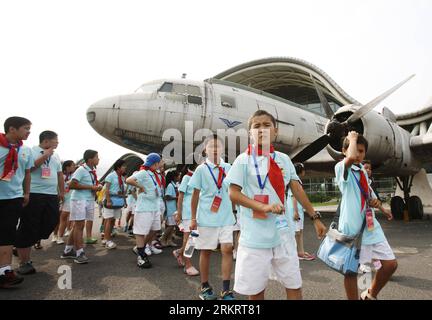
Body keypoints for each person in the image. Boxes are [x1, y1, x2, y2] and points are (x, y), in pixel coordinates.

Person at [227, 110, 326, 300]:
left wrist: (315, 217)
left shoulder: (284, 159)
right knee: (256, 292)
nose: (262, 129)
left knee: (294, 285)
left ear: (276, 131)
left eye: (266, 125)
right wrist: (262, 207)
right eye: (256, 126)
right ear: (250, 133)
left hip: (283, 235)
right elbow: (233, 194)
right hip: (254, 238)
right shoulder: (243, 160)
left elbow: (296, 188)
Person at [335, 131, 397, 300]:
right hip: (352, 228)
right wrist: (353, 138)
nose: (358, 154)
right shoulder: (341, 167)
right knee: (351, 271)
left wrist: (380, 206)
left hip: (370, 226)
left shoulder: (362, 169)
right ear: (344, 151)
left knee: (390, 264)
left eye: (362, 151)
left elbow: (368, 192)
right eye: (355, 150)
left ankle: (369, 294)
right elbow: (349, 159)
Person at [189, 134, 236, 300]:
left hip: (226, 217)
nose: (215, 149)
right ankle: (204, 286)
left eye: (218, 146)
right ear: (205, 150)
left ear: (222, 149)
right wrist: (193, 218)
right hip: (206, 218)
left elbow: (236, 190)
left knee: (227, 249)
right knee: (206, 252)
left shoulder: (229, 167)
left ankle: (225, 289)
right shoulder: (201, 169)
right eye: (211, 146)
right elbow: (194, 195)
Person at [16, 130, 64, 275]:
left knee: (52, 220)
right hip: (34, 193)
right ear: (46, 141)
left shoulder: (56, 155)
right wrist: (45, 155)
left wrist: (61, 192)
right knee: (28, 225)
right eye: (56, 140)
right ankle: (24, 261)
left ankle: (21, 244)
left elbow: (59, 175)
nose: (58, 143)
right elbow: (29, 169)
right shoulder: (31, 151)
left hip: (51, 194)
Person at [0, 117, 32, 288]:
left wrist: (26, 193)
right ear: (12, 129)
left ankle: (4, 272)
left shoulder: (25, 150)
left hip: (13, 198)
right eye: (26, 128)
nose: (28, 132)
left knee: (7, 234)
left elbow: (27, 173)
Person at [61, 150, 102, 264]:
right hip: (80, 200)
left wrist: (95, 187)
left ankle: (68, 250)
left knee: (77, 226)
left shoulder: (90, 171)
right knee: (79, 226)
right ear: (90, 159)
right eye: (97, 157)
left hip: (87, 199)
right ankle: (79, 253)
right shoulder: (81, 170)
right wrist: (92, 187)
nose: (98, 159)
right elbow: (72, 184)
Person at [126, 153, 162, 269]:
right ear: (155, 163)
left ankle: (140, 247)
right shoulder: (143, 172)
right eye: (159, 162)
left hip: (154, 206)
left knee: (155, 229)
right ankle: (141, 256)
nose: (161, 164)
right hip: (144, 207)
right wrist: (140, 187)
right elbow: (129, 180)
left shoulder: (154, 174)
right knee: (140, 232)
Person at [174, 164, 199, 276]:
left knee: (193, 239)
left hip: (198, 213)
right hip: (188, 213)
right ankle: (188, 265)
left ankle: (179, 252)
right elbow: (180, 196)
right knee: (189, 240)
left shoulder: (199, 176)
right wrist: (179, 213)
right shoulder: (187, 177)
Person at [290, 163, 315, 261]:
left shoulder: (297, 181)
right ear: (301, 171)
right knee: (296, 232)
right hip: (296, 210)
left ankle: (301, 252)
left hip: (299, 210)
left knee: (300, 231)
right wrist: (295, 211)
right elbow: (294, 197)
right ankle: (295, 253)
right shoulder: (295, 181)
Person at [101, 159, 127, 249]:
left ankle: (106, 238)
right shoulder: (111, 176)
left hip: (118, 201)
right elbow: (107, 189)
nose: (125, 167)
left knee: (112, 221)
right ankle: (107, 240)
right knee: (109, 219)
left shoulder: (121, 177)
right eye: (123, 166)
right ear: (118, 167)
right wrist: (108, 200)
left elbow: (122, 190)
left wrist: (124, 200)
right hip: (111, 200)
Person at [54, 160, 76, 245]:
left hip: (69, 199)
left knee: (64, 218)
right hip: (60, 199)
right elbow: (56, 187)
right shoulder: (60, 176)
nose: (74, 167)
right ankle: (55, 235)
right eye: (73, 165)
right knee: (58, 218)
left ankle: (60, 236)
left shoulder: (74, 176)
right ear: (67, 167)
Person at [160, 170, 180, 247]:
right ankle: (163, 238)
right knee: (171, 226)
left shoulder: (173, 185)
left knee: (172, 225)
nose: (179, 177)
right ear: (174, 177)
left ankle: (169, 240)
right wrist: (177, 197)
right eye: (178, 176)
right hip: (171, 208)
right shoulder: (170, 186)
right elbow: (167, 197)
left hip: (173, 208)